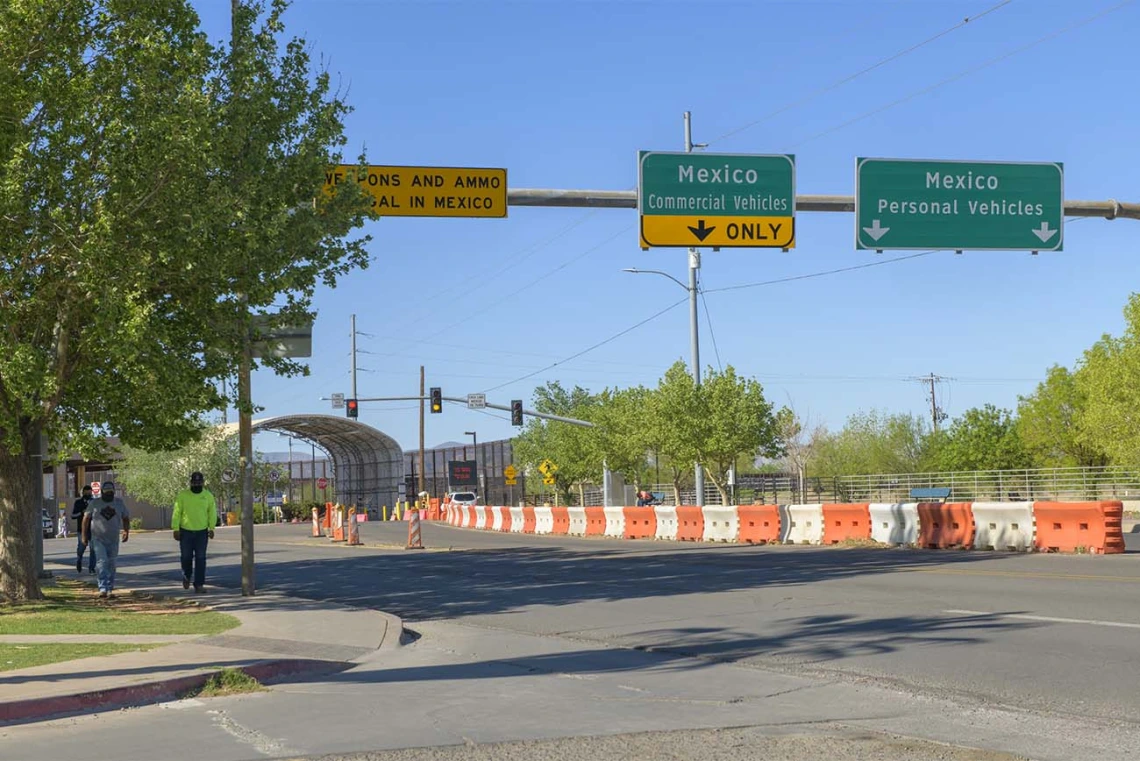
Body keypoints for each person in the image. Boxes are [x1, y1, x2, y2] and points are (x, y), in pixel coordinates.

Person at [81, 480, 130, 598]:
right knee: (102, 562)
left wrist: (126, 531)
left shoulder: (119, 503)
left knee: (112, 564)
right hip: (98, 538)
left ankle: (110, 588)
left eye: (111, 492)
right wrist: (84, 536)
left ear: (114, 492)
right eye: (106, 492)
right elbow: (86, 519)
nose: (109, 494)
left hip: (113, 539)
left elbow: (126, 517)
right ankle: (102, 587)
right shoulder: (95, 503)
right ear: (102, 492)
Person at [172, 471, 217, 593]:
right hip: (185, 531)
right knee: (186, 557)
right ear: (191, 482)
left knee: (201, 558)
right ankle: (186, 576)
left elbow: (212, 512)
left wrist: (212, 528)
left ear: (203, 483)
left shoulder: (208, 496)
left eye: (199, 482)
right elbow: (177, 512)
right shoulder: (183, 495)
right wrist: (175, 528)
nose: (197, 484)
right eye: (194, 482)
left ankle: (199, 584)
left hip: (202, 532)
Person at [72, 484, 96, 574]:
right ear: (83, 493)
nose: (89, 495)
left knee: (93, 549)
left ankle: (91, 568)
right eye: (86, 493)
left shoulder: (94, 502)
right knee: (82, 547)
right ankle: (79, 560)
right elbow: (72, 515)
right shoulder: (78, 503)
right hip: (81, 530)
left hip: (93, 529)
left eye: (90, 493)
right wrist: (81, 513)